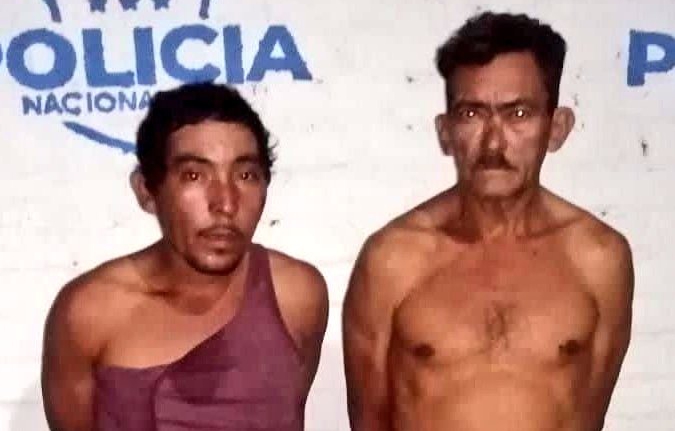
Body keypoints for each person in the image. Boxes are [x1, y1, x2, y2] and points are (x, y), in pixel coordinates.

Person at [343, 12, 633, 431]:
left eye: (519, 114)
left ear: (557, 128)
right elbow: (368, 420)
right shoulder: (393, 259)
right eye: (471, 114)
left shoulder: (599, 257)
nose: (494, 142)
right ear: (445, 132)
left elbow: (588, 415)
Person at [41, 82, 329, 431]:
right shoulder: (89, 312)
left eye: (246, 175)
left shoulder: (295, 295)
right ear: (147, 191)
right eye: (194, 175)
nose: (225, 203)